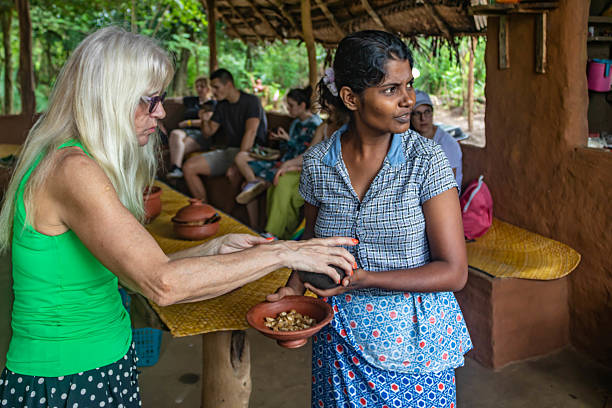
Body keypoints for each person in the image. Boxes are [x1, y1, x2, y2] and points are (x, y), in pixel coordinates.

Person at [0, 27, 356, 408]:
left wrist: (214, 248)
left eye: (161, 99)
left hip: (94, 363)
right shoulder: (73, 169)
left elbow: (137, 271)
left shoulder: (73, 160)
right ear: (110, 98)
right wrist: (285, 252)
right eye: (149, 100)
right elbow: (163, 284)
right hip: (68, 376)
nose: (159, 112)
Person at [268, 30, 472, 408]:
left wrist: (363, 280)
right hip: (339, 338)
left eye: (409, 85)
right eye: (391, 89)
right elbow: (312, 244)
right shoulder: (318, 164)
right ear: (351, 98)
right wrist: (294, 290)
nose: (408, 100)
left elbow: (454, 271)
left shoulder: (426, 162)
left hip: (416, 344)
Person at [234, 86, 321, 229]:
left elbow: (307, 153)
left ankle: (256, 188)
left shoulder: (314, 125)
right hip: (283, 159)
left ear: (302, 105)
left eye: (291, 105)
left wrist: (288, 140)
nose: (288, 109)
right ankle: (255, 185)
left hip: (295, 166)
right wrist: (279, 140)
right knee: (242, 159)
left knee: (247, 187)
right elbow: (287, 149)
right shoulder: (296, 122)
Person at [263, 103, 348, 240]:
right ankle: (274, 233)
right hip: (311, 170)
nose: (325, 108)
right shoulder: (323, 127)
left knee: (288, 184)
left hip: (328, 176)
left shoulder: (349, 129)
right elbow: (309, 154)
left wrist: (297, 168)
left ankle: (277, 233)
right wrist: (287, 165)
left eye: (329, 104)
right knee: (281, 178)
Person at [182, 68, 267, 202]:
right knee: (188, 167)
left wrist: (239, 161)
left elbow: (251, 132)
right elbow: (208, 133)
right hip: (230, 151)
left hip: (252, 152)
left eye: (216, 87)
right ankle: (204, 210)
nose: (213, 91)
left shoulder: (251, 101)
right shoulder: (222, 105)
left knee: (232, 174)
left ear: (229, 84)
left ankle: (229, 215)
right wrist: (204, 120)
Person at [411, 89, 463, 188]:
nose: (423, 118)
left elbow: (448, 186)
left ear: (432, 113)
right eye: (417, 113)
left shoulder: (447, 144)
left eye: (427, 112)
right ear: (409, 116)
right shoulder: (411, 138)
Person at [166, 77, 216, 179]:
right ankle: (176, 170)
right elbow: (173, 99)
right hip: (184, 131)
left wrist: (188, 122)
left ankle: (175, 170)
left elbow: (208, 122)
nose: (199, 89)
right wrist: (158, 98)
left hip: (202, 133)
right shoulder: (192, 100)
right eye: (197, 86)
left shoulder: (213, 104)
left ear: (208, 88)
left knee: (180, 147)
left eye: (202, 86)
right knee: (175, 134)